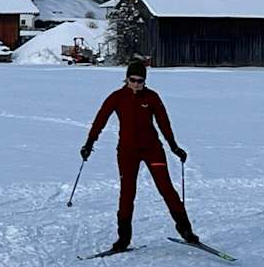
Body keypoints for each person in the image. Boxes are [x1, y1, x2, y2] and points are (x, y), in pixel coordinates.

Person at [80, 56, 199, 251]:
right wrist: (89, 143)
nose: (136, 84)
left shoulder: (152, 97)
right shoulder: (116, 97)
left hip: (153, 149)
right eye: (132, 80)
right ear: (126, 79)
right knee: (127, 193)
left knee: (166, 188)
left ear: (145, 81)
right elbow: (100, 121)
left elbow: (164, 123)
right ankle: (123, 239)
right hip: (127, 152)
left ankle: (186, 230)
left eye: (140, 81)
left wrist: (174, 146)